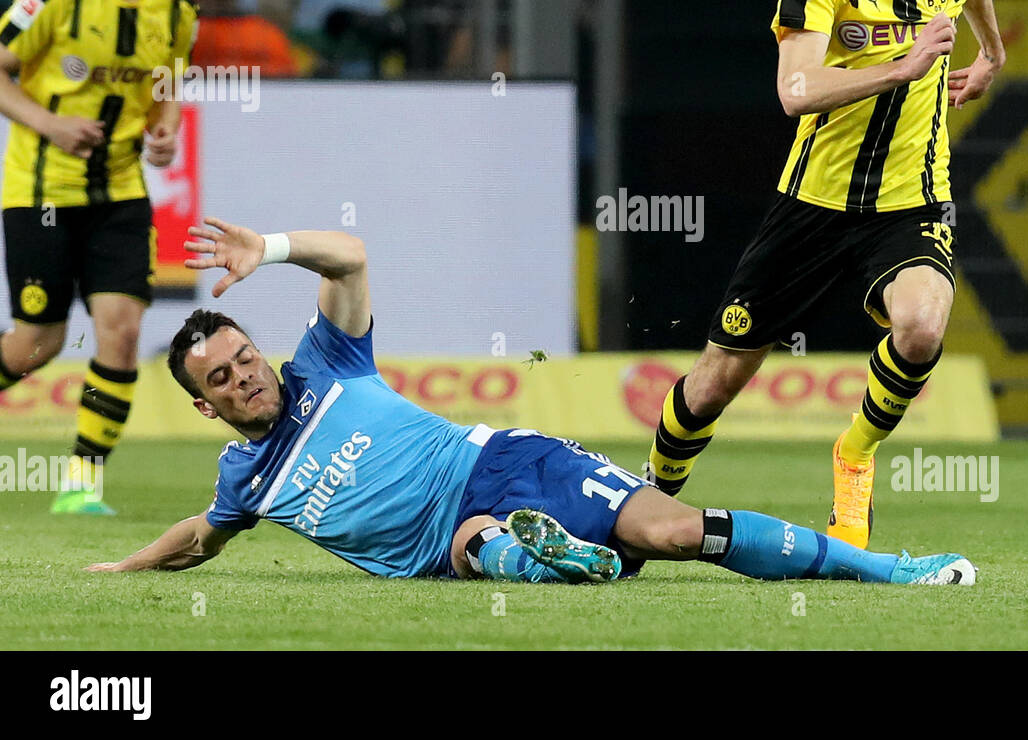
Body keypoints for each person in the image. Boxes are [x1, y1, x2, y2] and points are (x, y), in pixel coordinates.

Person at [86, 218, 976, 586]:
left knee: (674, 533)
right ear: (206, 407)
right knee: (478, 549)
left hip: (500, 459)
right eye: (223, 379)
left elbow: (350, 256)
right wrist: (121, 573)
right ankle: (553, 564)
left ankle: (896, 572)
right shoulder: (247, 478)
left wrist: (272, 246)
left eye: (244, 357)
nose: (245, 376)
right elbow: (201, 535)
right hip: (450, 540)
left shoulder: (325, 361)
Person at [643, 0, 1005, 549]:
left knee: (922, 325)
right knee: (716, 381)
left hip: (912, 203)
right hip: (813, 205)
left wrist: (992, 57)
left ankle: (855, 454)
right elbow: (794, 92)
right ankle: (648, 496)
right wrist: (900, 66)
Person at [0, 0, 199, 514]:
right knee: (37, 344)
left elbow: (165, 88)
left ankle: (81, 485)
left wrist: (164, 131)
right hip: (43, 191)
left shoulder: (176, 11)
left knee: (119, 330)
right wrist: (49, 123)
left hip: (120, 192)